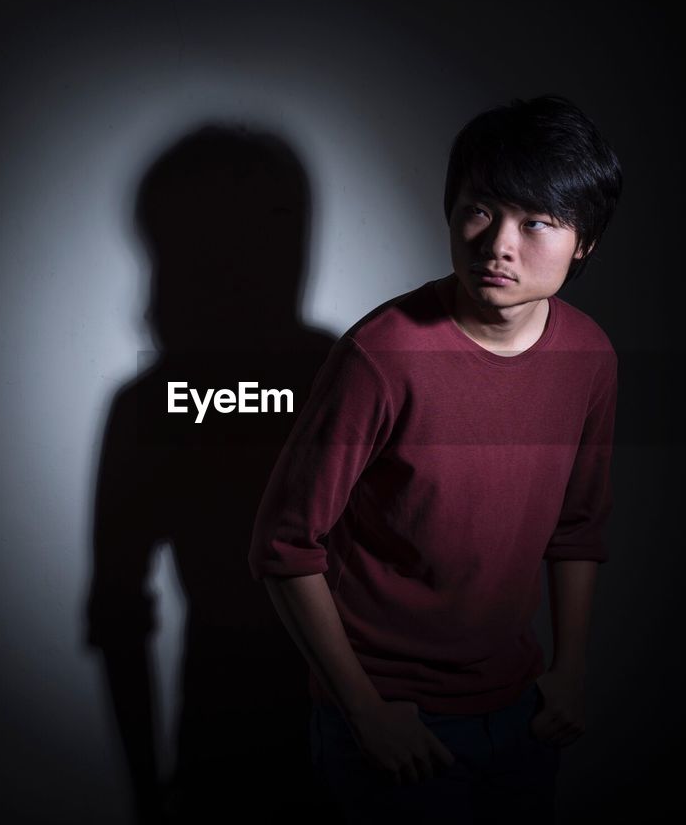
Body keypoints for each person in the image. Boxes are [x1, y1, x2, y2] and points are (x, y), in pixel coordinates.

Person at [247, 94, 623, 823]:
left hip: (521, 712)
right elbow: (283, 544)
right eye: (481, 209)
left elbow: (578, 527)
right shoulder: (381, 354)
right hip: (397, 719)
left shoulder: (590, 356)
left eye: (537, 221)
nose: (499, 244)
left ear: (585, 244)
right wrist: (365, 711)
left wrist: (570, 671)